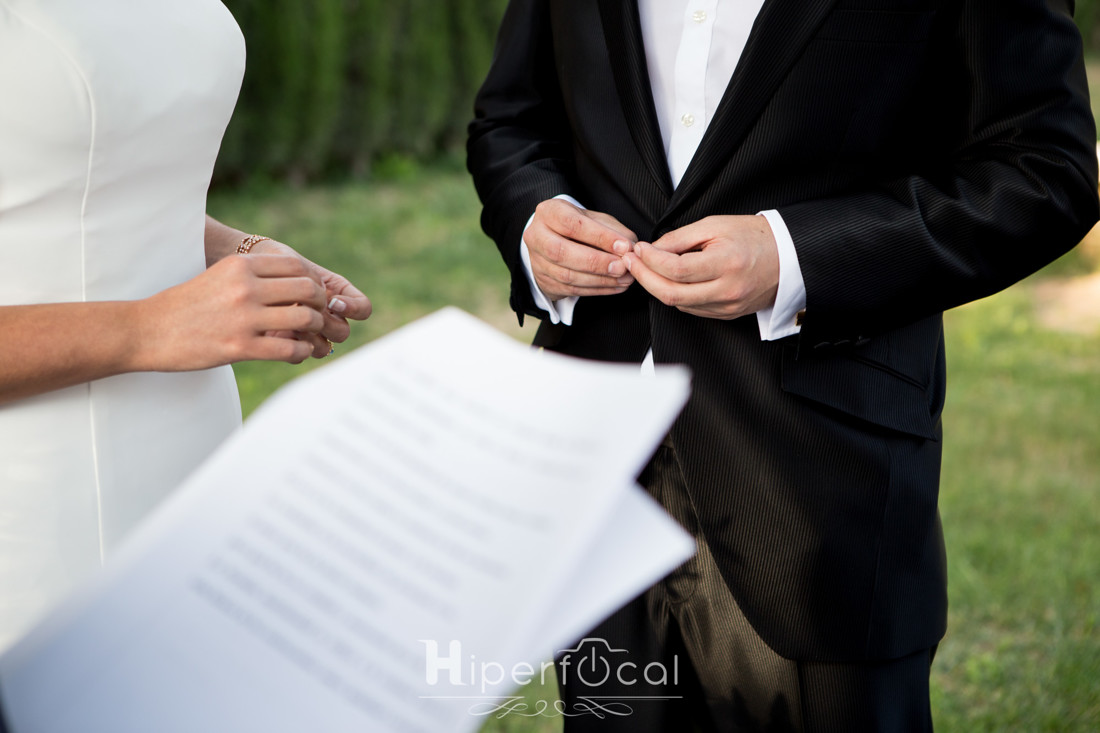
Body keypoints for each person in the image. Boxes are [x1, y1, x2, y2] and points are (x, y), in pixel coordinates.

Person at [467, 0, 1099, 730]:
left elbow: (1043, 168)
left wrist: (795, 256)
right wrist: (533, 221)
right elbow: (509, 117)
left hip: (819, 476)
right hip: (597, 464)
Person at [0, 0, 370, 651]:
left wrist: (232, 248)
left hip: (191, 450)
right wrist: (146, 327)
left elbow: (67, 178)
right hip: (34, 505)